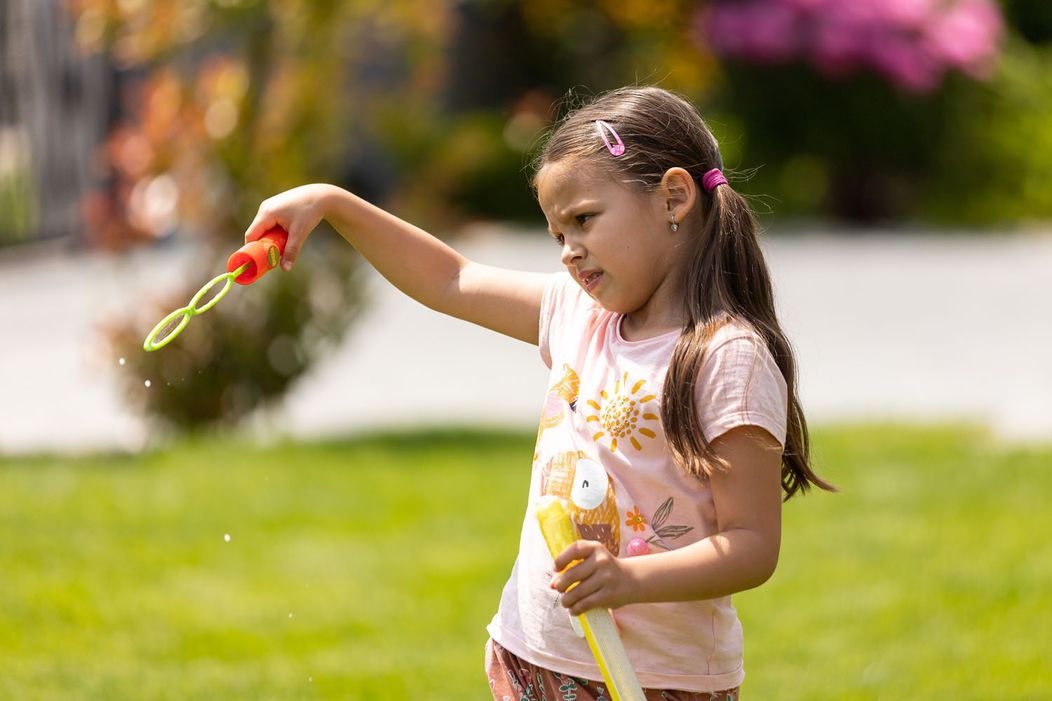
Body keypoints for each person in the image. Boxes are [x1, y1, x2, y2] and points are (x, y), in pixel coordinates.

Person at [244, 86, 833, 701]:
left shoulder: (726, 356)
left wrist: (630, 579)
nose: (569, 251)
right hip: (533, 656)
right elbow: (453, 278)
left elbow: (751, 546)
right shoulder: (579, 314)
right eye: (557, 234)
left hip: (655, 682)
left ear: (674, 198)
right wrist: (334, 204)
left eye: (584, 220)